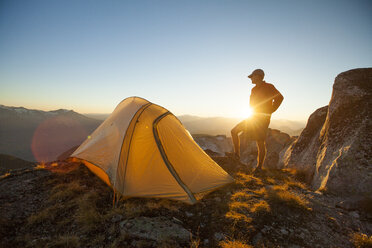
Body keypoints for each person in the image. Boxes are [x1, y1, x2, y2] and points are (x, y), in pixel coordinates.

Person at [231, 69, 283, 172]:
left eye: (252, 77)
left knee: (260, 141)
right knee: (234, 131)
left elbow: (280, 98)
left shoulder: (269, 87)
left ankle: (259, 167)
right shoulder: (253, 90)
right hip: (252, 117)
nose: (250, 78)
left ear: (258, 76)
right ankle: (236, 155)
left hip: (263, 119)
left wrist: (271, 110)